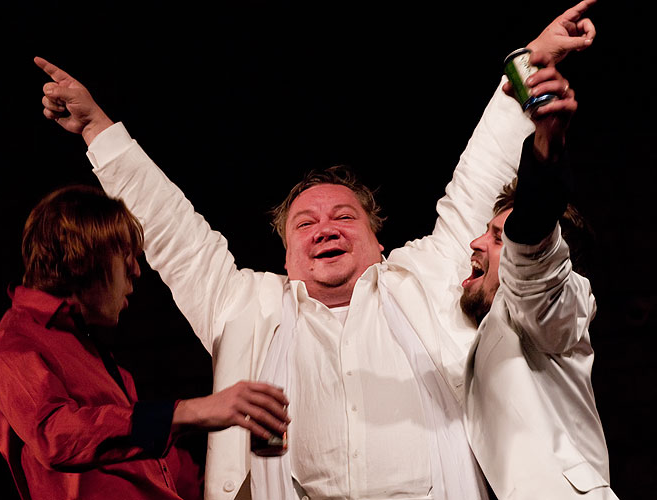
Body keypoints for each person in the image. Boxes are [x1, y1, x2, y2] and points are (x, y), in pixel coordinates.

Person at [35, 4, 596, 499]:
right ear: (285, 254)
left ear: (380, 243)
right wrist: (95, 128)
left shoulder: (428, 276)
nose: (324, 229)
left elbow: (482, 171)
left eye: (344, 217)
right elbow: (173, 232)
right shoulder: (244, 307)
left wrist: (531, 63)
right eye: (305, 223)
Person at [0, 185, 290, 500]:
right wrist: (190, 412)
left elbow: (154, 471)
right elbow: (55, 435)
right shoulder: (14, 346)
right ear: (80, 257)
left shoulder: (91, 352)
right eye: (125, 255)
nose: (136, 271)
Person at [458, 52, 618, 498]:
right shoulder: (492, 329)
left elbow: (533, 255)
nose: (474, 244)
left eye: (496, 237)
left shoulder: (557, 309)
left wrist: (545, 150)